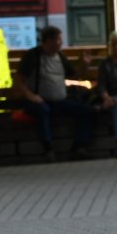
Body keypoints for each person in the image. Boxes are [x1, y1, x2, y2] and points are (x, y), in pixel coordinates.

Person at [17, 25, 97, 160]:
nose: (61, 42)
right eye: (58, 39)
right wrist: (31, 96)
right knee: (43, 111)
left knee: (87, 110)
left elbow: (73, 76)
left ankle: (79, 147)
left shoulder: (60, 56)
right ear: (48, 41)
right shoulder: (33, 56)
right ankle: (48, 149)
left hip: (60, 101)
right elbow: (18, 80)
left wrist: (84, 65)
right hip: (39, 101)